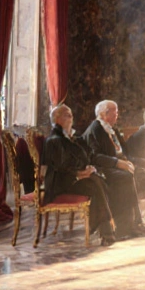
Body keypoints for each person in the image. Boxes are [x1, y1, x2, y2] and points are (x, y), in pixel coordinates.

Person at [43, 105, 116, 246]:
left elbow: (87, 155)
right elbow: (61, 167)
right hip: (61, 183)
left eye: (71, 115)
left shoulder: (73, 137)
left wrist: (88, 168)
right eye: (67, 115)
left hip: (75, 178)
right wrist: (79, 173)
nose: (71, 119)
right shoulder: (54, 140)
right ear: (57, 119)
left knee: (98, 181)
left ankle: (105, 230)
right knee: (96, 184)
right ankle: (106, 230)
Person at [82, 100, 145, 236]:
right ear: (104, 113)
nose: (117, 115)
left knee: (143, 173)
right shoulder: (95, 129)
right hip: (104, 169)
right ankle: (125, 227)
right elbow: (94, 157)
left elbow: (125, 151)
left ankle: (138, 222)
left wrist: (128, 162)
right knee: (126, 177)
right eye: (115, 112)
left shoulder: (112, 129)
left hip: (119, 165)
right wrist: (117, 163)